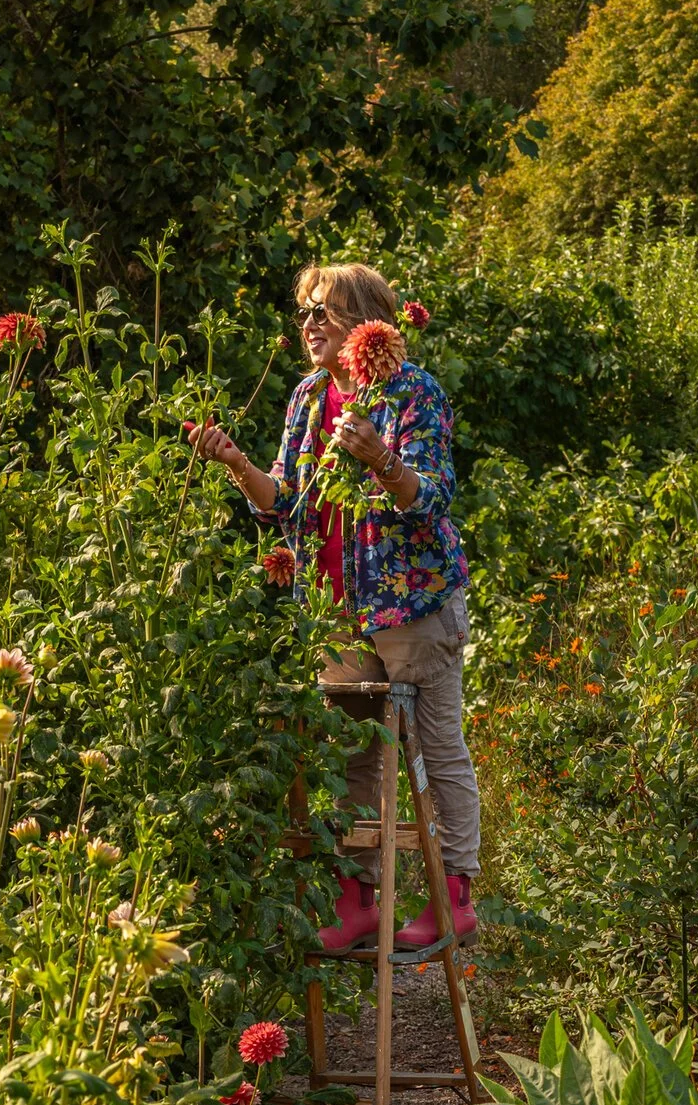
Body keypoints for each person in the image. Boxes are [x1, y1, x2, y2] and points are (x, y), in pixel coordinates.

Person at [188, 262, 479, 951]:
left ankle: (455, 898)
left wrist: (383, 459)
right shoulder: (309, 397)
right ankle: (358, 899)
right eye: (305, 313)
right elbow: (283, 501)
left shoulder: (413, 392)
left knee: (436, 749)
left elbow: (431, 496)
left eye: (325, 311)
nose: (310, 325)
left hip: (413, 605)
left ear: (368, 321)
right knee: (352, 754)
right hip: (334, 606)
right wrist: (237, 464)